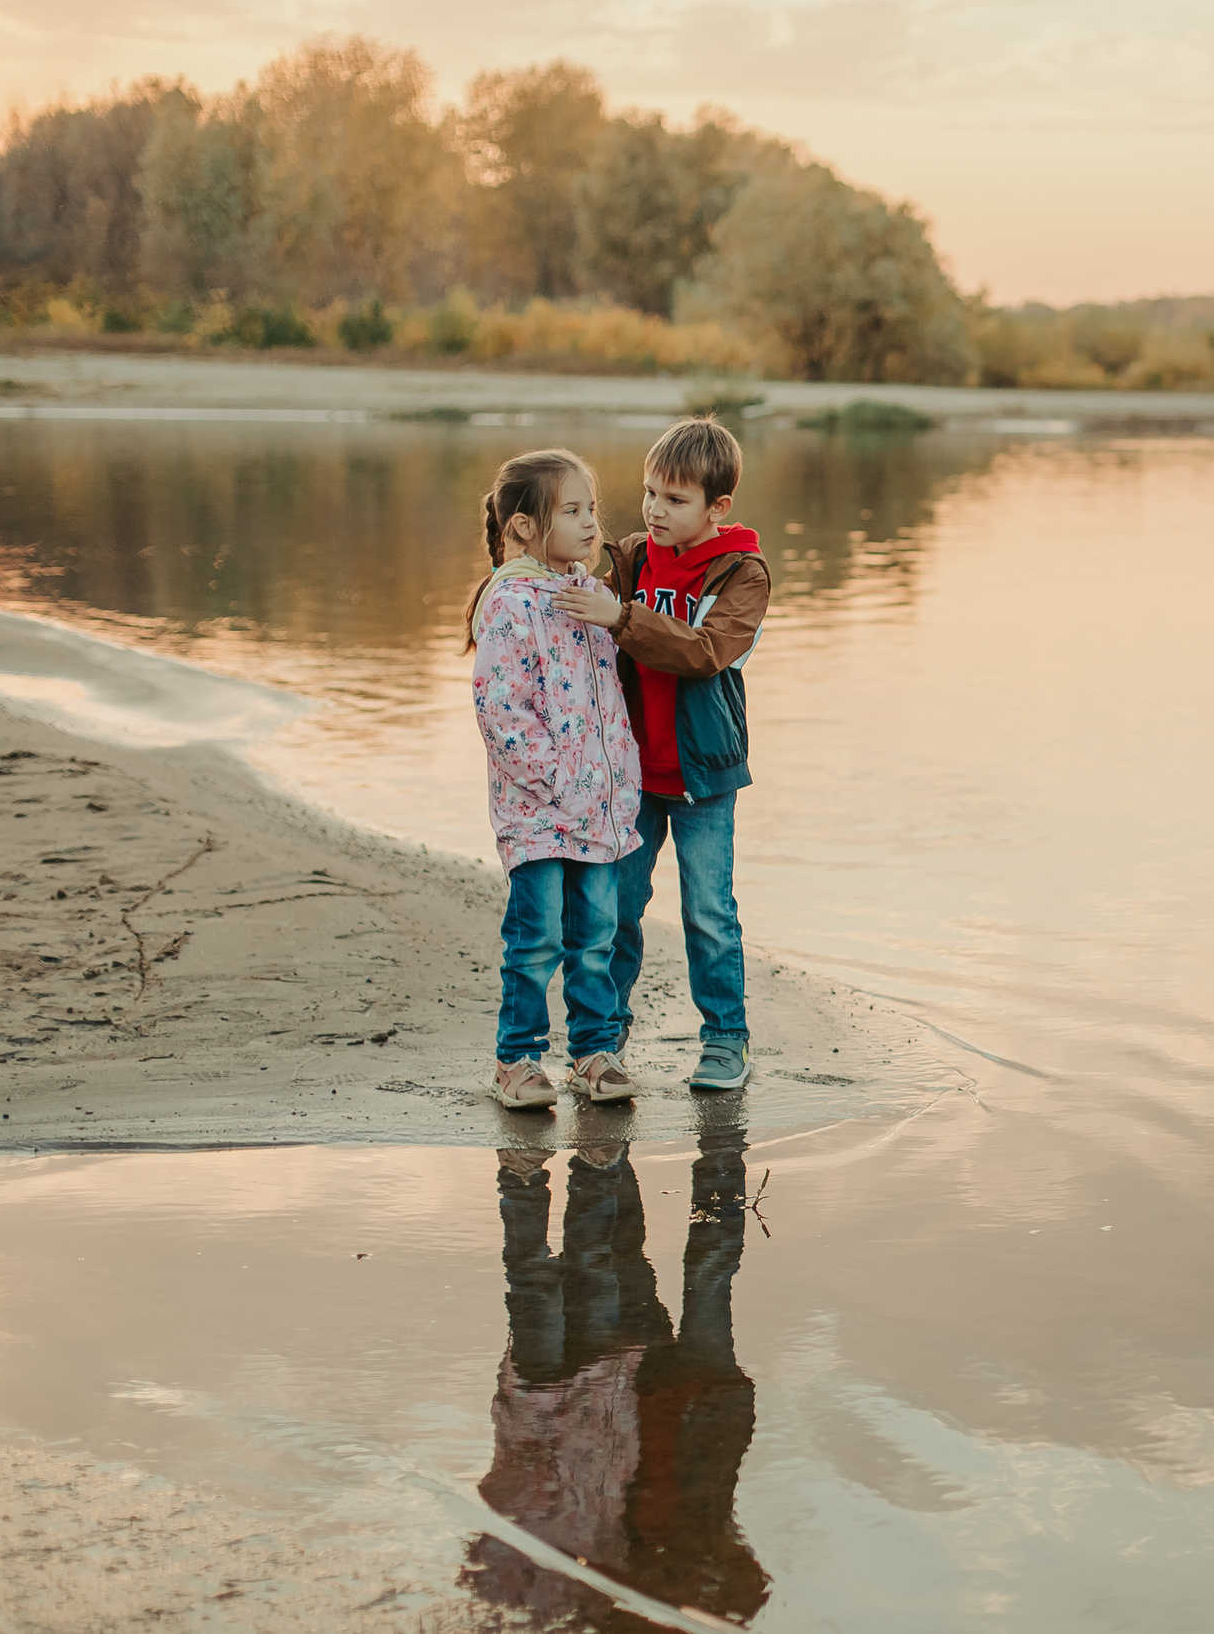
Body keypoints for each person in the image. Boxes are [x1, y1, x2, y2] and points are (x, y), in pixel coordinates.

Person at [467, 1131, 768, 1624]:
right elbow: (746, 1583)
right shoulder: (650, 1558)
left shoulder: (614, 1564)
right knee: (682, 1264)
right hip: (665, 1399)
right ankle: (657, 1157)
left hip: (624, 1399)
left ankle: (601, 1162)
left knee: (607, 1266)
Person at [557, 418, 769, 1093]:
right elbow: (563, 580)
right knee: (615, 905)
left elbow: (705, 652)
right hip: (632, 775)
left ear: (717, 508)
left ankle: (726, 1040)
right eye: (650, 493)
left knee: (708, 912)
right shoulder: (632, 558)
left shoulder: (742, 573)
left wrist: (620, 618)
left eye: (674, 500)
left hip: (703, 778)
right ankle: (604, 1036)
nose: (654, 509)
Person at [468, 450, 644, 1111]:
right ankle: (516, 1059)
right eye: (572, 511)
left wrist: (615, 778)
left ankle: (594, 1052)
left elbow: (608, 697)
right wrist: (554, 779)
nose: (590, 523)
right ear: (522, 528)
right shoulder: (512, 602)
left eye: (591, 509)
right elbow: (499, 704)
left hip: (598, 805)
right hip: (539, 810)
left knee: (596, 933)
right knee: (536, 935)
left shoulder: (591, 597)